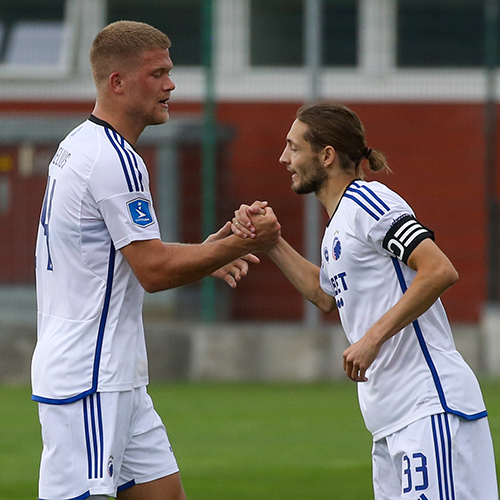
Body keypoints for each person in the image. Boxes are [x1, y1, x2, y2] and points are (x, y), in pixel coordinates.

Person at [32, 20, 280, 500]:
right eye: (157, 74)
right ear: (117, 82)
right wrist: (239, 245)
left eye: (170, 72)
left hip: (115, 375)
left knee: (165, 495)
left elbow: (123, 258)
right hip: (91, 378)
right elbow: (153, 271)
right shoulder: (115, 160)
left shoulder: (79, 144)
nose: (170, 85)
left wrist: (211, 253)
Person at [232, 102, 498, 499]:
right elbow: (326, 296)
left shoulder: (368, 203)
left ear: (326, 155)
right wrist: (272, 243)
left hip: (429, 408)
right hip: (389, 421)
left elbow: (439, 270)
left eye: (293, 147)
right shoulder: (338, 224)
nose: (283, 158)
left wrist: (372, 338)